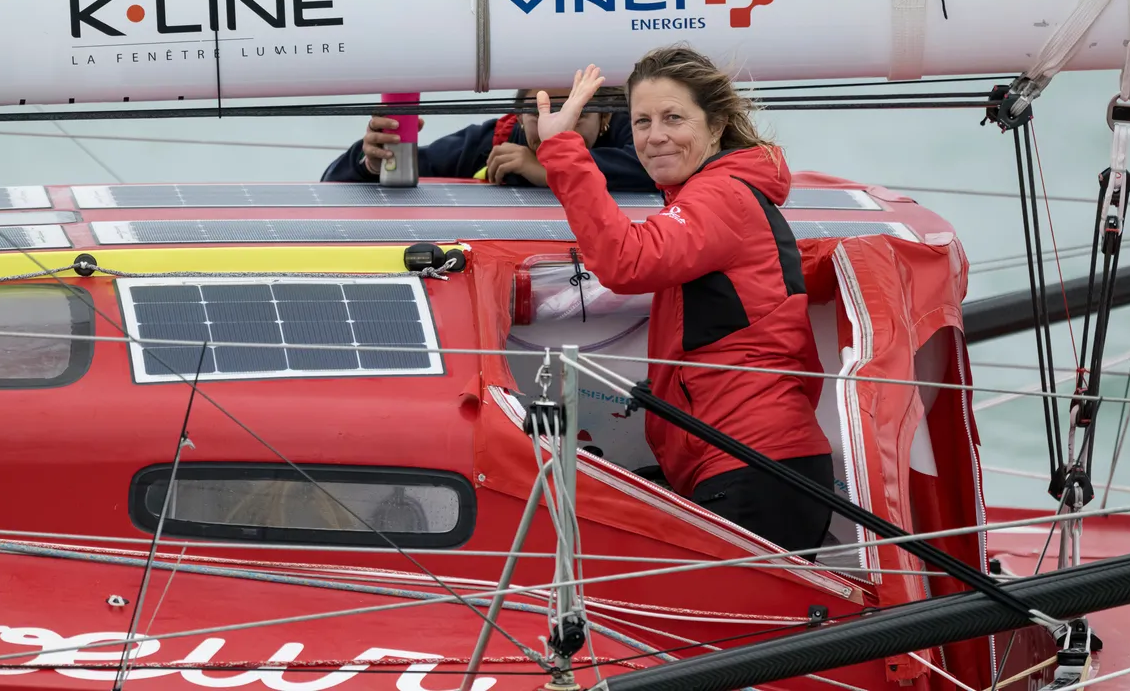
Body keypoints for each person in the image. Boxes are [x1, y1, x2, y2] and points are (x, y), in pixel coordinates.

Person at [531, 46, 835, 554]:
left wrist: (563, 149)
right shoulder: (713, 194)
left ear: (716, 127)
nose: (655, 136)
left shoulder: (721, 197)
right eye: (642, 121)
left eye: (674, 118)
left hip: (754, 467)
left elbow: (627, 261)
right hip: (745, 464)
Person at [320, 88, 654, 192]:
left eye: (575, 113)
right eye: (540, 113)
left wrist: (547, 169)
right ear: (519, 115)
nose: (557, 128)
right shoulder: (493, 140)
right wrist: (372, 162)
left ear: (606, 117)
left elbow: (660, 173)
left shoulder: (636, 133)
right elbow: (334, 185)